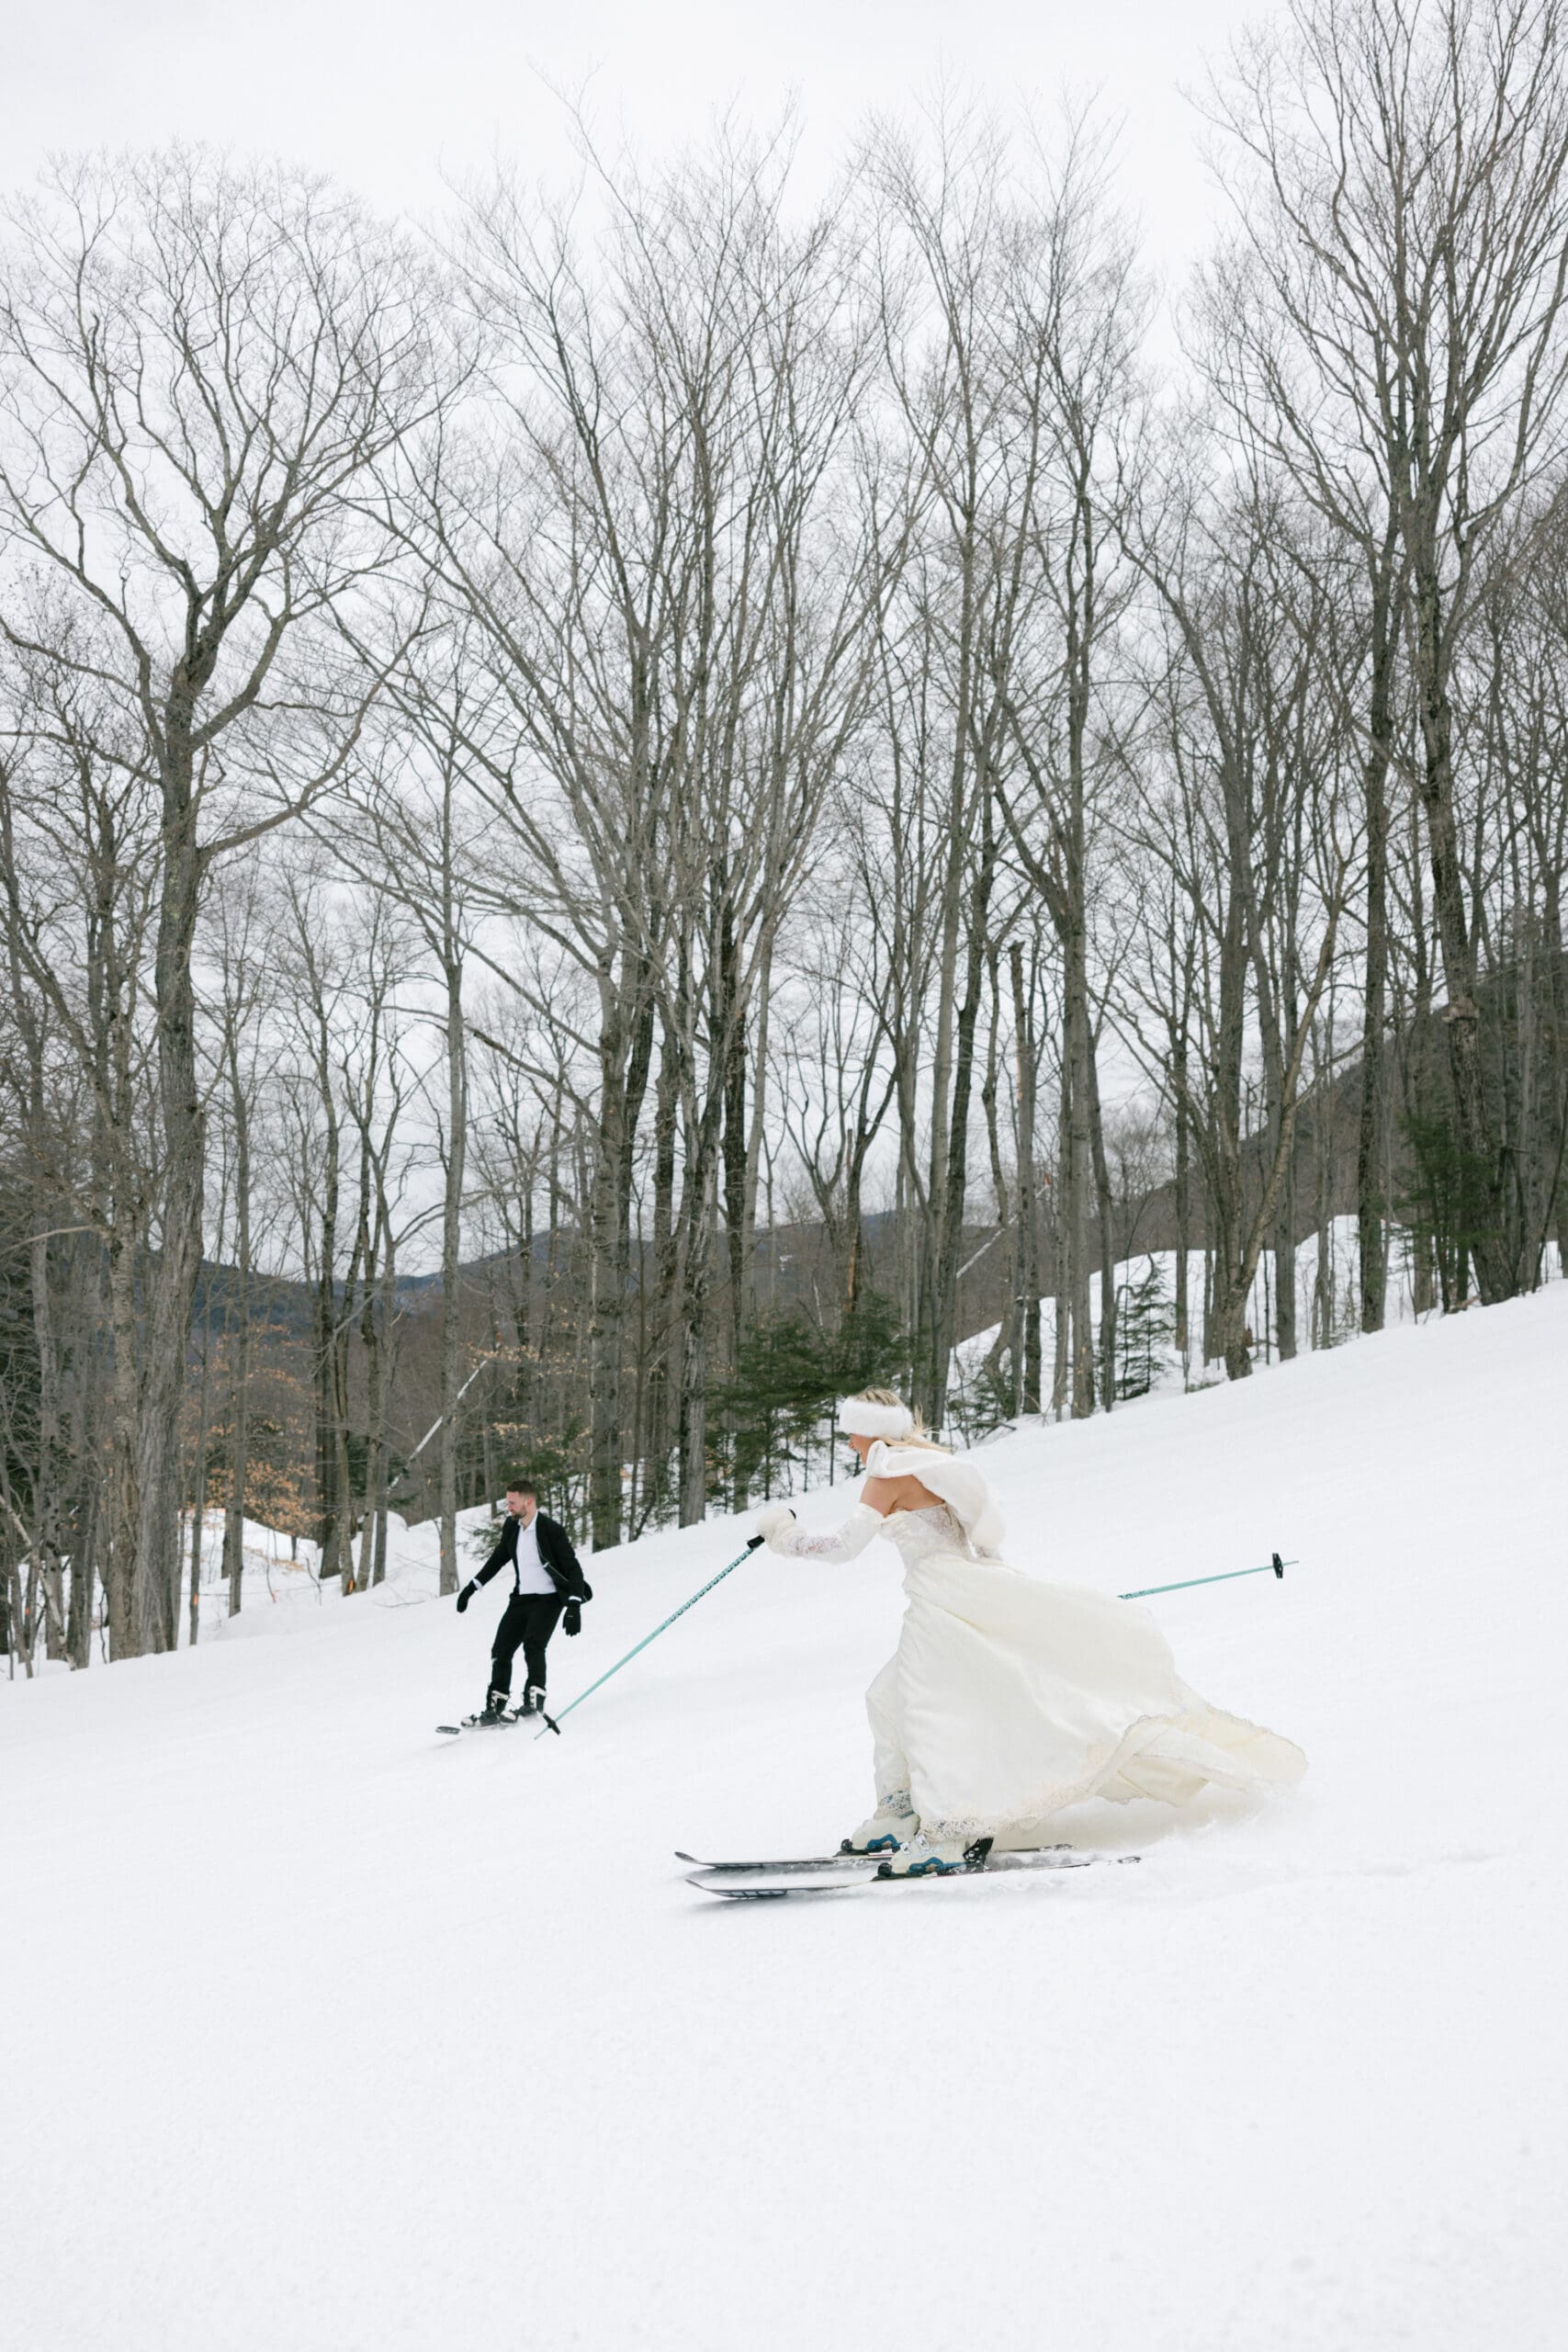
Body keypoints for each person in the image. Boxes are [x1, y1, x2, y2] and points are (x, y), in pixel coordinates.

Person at [754, 1389, 1306, 1875]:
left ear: (870, 1432)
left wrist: (784, 1535)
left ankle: (948, 1832)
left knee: (931, 1710)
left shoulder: (885, 1474)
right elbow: (979, 1528)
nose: (848, 1439)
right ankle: (896, 1813)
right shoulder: (927, 1465)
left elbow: (843, 1548)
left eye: (851, 1429)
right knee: (887, 1697)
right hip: (964, 1584)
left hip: (938, 1597)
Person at [456, 1479, 592, 1723]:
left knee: (533, 1645)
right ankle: (495, 1708)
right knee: (501, 1649)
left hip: (548, 1600)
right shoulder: (512, 1528)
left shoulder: (551, 1530)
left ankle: (533, 1704)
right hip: (521, 1600)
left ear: (528, 1502)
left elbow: (573, 1569)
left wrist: (573, 1605)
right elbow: (498, 1559)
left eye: (512, 1502)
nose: (508, 1507)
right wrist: (472, 1587)